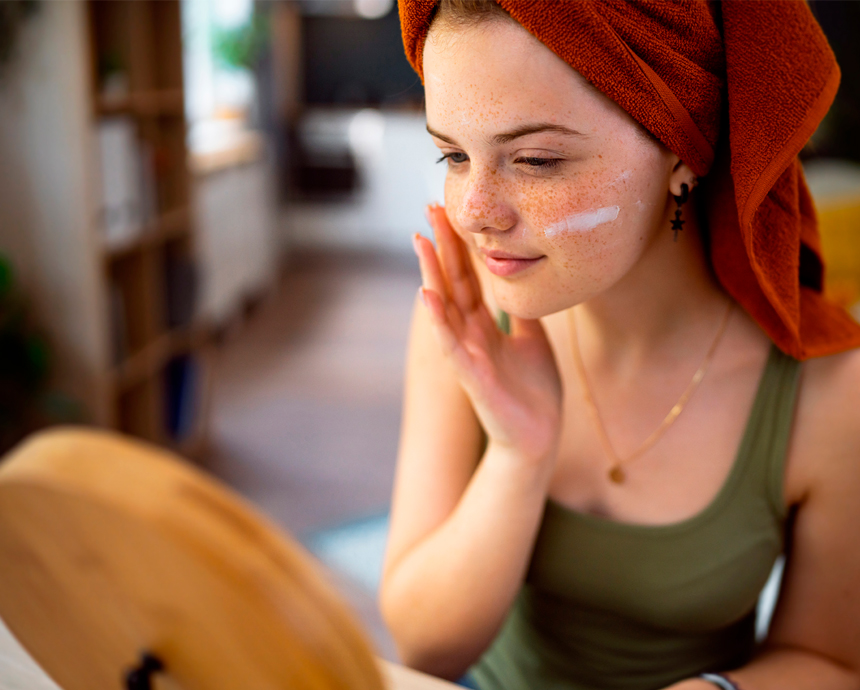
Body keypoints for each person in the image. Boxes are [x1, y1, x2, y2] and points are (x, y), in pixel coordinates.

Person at [378, 1, 860, 690]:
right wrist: (519, 456)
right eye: (452, 154)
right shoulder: (464, 330)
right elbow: (424, 649)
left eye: (536, 160)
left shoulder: (831, 393)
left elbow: (833, 662)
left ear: (681, 153)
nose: (474, 211)